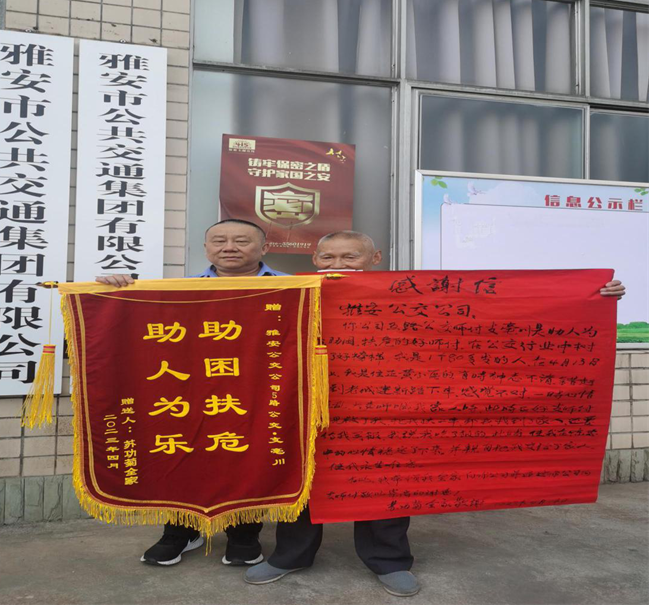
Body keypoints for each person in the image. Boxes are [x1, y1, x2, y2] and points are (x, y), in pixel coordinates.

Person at [244, 230, 626, 596]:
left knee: (384, 484)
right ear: (314, 258)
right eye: (328, 257)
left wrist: (593, 294)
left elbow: (498, 310)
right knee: (303, 485)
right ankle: (290, 556)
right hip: (309, 408)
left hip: (386, 410)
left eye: (350, 256)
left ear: (375, 259)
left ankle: (388, 561)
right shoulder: (292, 290)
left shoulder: (408, 294)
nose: (337, 263)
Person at [96, 218, 286, 567]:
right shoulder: (179, 290)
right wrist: (114, 291)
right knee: (181, 453)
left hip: (260, 392)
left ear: (264, 248)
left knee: (249, 457)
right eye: (219, 240)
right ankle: (180, 531)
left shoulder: (294, 288)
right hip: (192, 391)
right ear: (206, 248)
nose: (229, 247)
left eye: (241, 240)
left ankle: (244, 533)